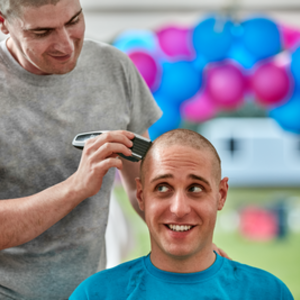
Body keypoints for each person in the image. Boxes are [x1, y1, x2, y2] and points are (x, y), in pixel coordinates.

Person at [0, 0, 162, 299]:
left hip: (88, 293)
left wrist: (192, 249)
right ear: (3, 23)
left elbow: (144, 185)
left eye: (74, 20)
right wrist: (76, 187)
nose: (65, 44)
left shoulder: (114, 67)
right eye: (42, 32)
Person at [70, 129, 294, 300]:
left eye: (195, 188)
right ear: (141, 195)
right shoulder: (97, 294)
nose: (178, 209)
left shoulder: (268, 293)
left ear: (221, 195)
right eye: (162, 188)